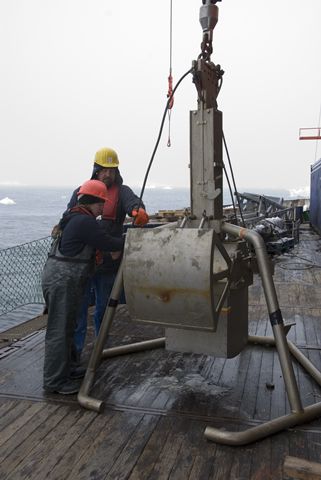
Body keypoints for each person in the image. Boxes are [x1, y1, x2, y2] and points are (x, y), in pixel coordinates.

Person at [42, 179, 124, 395]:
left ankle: (68, 369)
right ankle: (54, 382)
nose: (101, 210)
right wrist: (128, 239)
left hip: (61, 279)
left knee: (67, 326)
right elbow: (108, 242)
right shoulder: (84, 222)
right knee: (59, 330)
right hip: (63, 282)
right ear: (91, 202)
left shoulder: (73, 218)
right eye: (100, 204)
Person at [66, 147, 149, 360]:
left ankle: (101, 351)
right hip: (83, 264)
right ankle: (75, 355)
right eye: (104, 170)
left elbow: (133, 202)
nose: (108, 174)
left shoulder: (122, 192)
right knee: (78, 313)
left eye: (112, 170)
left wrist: (138, 211)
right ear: (96, 170)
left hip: (107, 266)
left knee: (104, 311)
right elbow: (69, 215)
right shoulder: (81, 191)